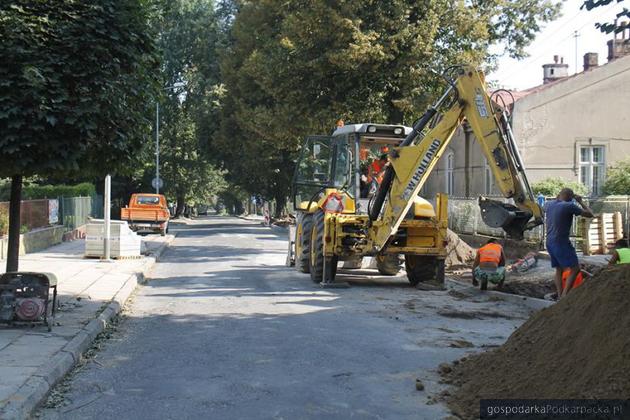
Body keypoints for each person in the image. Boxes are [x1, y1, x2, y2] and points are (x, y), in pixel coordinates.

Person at [545, 188, 594, 299]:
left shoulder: (548, 204)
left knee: (558, 269)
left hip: (549, 241)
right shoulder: (569, 206)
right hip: (561, 242)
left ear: (559, 195)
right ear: (571, 198)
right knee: (575, 268)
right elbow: (591, 214)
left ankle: (559, 294)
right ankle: (565, 296)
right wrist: (580, 201)